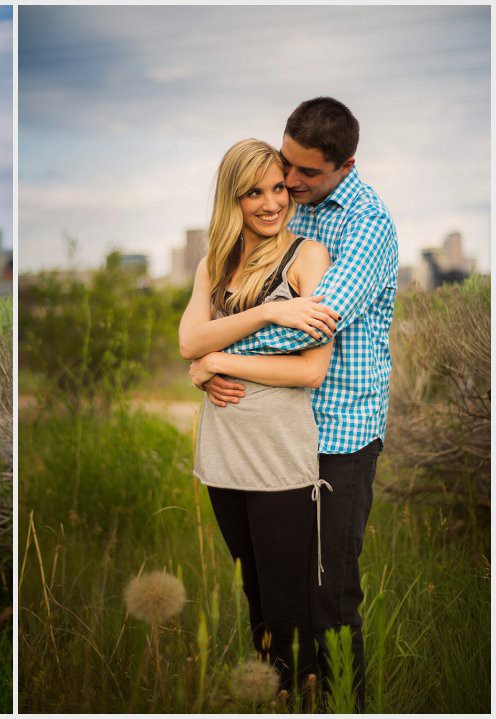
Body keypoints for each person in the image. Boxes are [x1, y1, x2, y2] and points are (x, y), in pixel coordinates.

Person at [200, 98, 398, 711]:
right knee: (274, 593)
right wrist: (205, 352)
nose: (288, 183)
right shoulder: (290, 206)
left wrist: (214, 353)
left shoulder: (367, 225)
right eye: (286, 164)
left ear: (346, 165)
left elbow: (310, 325)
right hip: (279, 435)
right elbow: (251, 293)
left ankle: (343, 708)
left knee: (329, 596)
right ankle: (284, 701)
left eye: (306, 173)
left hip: (338, 435)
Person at [179, 138, 338, 695]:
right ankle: (272, 699)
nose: (272, 203)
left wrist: (219, 360)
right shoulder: (214, 263)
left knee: (289, 603)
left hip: (277, 455)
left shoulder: (307, 257)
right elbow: (188, 340)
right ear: (233, 198)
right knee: (255, 596)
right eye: (255, 192)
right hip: (223, 454)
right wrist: (269, 311)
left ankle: (308, 701)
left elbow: (310, 371)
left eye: (278, 189)